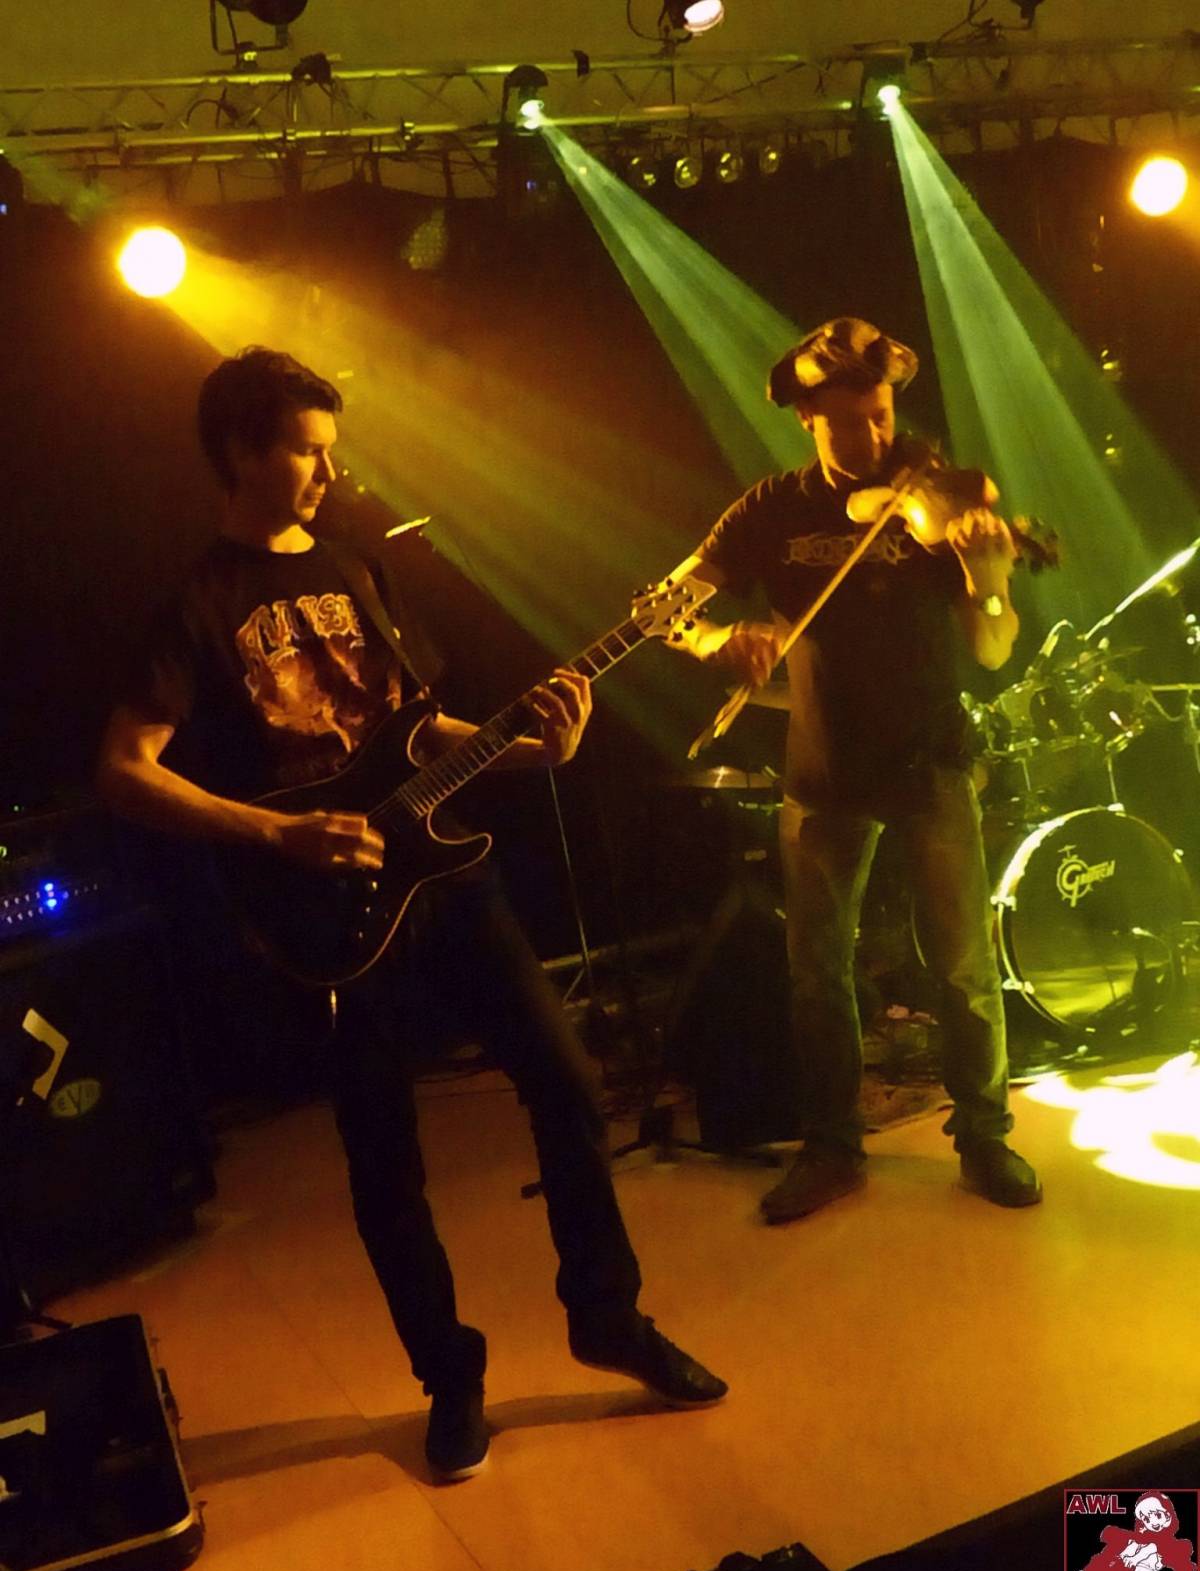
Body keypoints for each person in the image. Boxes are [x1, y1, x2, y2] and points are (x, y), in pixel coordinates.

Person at [95, 347, 726, 1482]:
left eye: (331, 451)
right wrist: (276, 833)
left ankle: (607, 1316)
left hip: (446, 879)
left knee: (570, 1081)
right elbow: (124, 770)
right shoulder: (196, 602)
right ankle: (451, 1380)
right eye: (306, 451)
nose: (329, 473)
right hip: (321, 907)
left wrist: (535, 747)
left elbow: (418, 727)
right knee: (385, 1157)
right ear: (241, 451)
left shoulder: (357, 567)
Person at [667, 317, 1042, 1221]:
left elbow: (992, 650)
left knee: (962, 966)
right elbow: (669, 603)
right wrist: (714, 640)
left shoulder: (943, 500)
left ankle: (984, 1135)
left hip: (931, 759)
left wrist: (989, 580)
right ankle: (832, 1146)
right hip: (824, 766)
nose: (874, 439)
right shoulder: (770, 510)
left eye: (881, 416)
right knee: (818, 972)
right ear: (806, 418)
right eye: (848, 423)